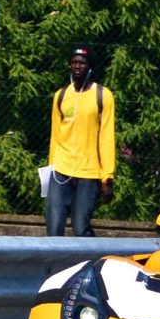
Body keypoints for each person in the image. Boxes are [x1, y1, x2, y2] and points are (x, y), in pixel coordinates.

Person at [46, 44, 115, 236]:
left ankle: (88, 263)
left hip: (88, 171)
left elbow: (106, 137)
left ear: (90, 67)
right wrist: (51, 167)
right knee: (54, 224)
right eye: (74, 63)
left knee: (80, 226)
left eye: (82, 63)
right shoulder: (60, 96)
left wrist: (107, 176)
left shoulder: (103, 96)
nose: (77, 67)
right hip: (61, 170)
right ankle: (54, 265)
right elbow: (56, 135)